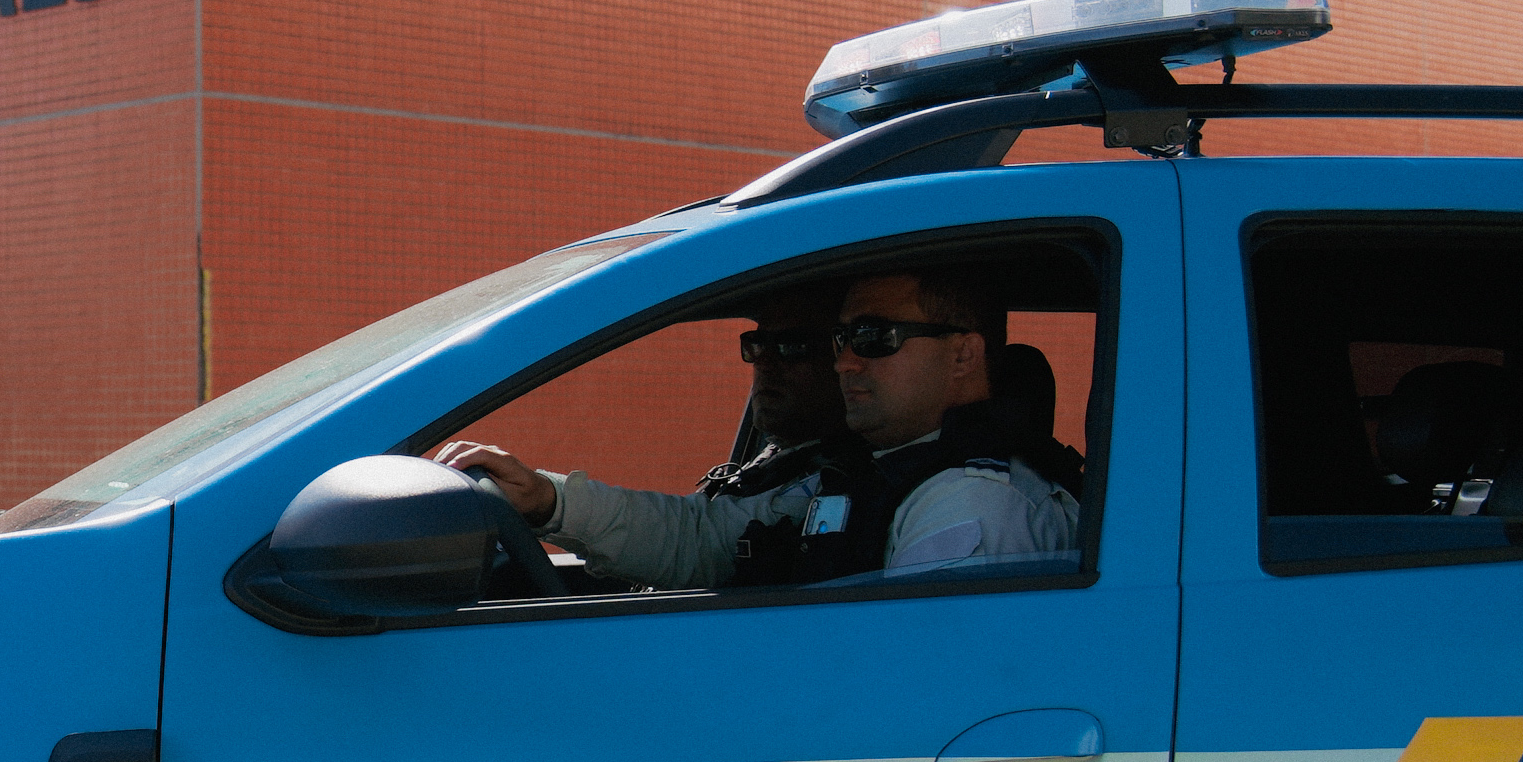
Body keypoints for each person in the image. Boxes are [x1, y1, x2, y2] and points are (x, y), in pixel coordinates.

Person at [436, 268, 1079, 586]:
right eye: (838, 339)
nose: (844, 361)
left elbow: (907, 679)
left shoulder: (972, 504)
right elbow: (704, 535)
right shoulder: (861, 477)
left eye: (874, 337)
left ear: (964, 355)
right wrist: (548, 499)